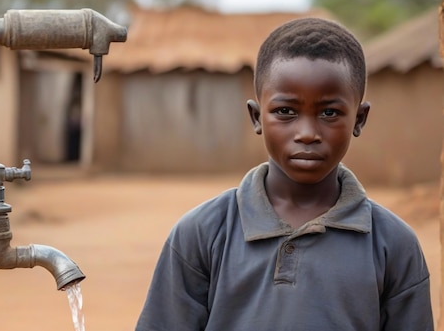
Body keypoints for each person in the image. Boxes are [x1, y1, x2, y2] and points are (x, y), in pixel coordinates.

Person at [134, 17, 433, 331]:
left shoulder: (392, 244)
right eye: (285, 112)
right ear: (256, 116)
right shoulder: (203, 233)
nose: (307, 133)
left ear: (359, 119)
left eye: (329, 113)